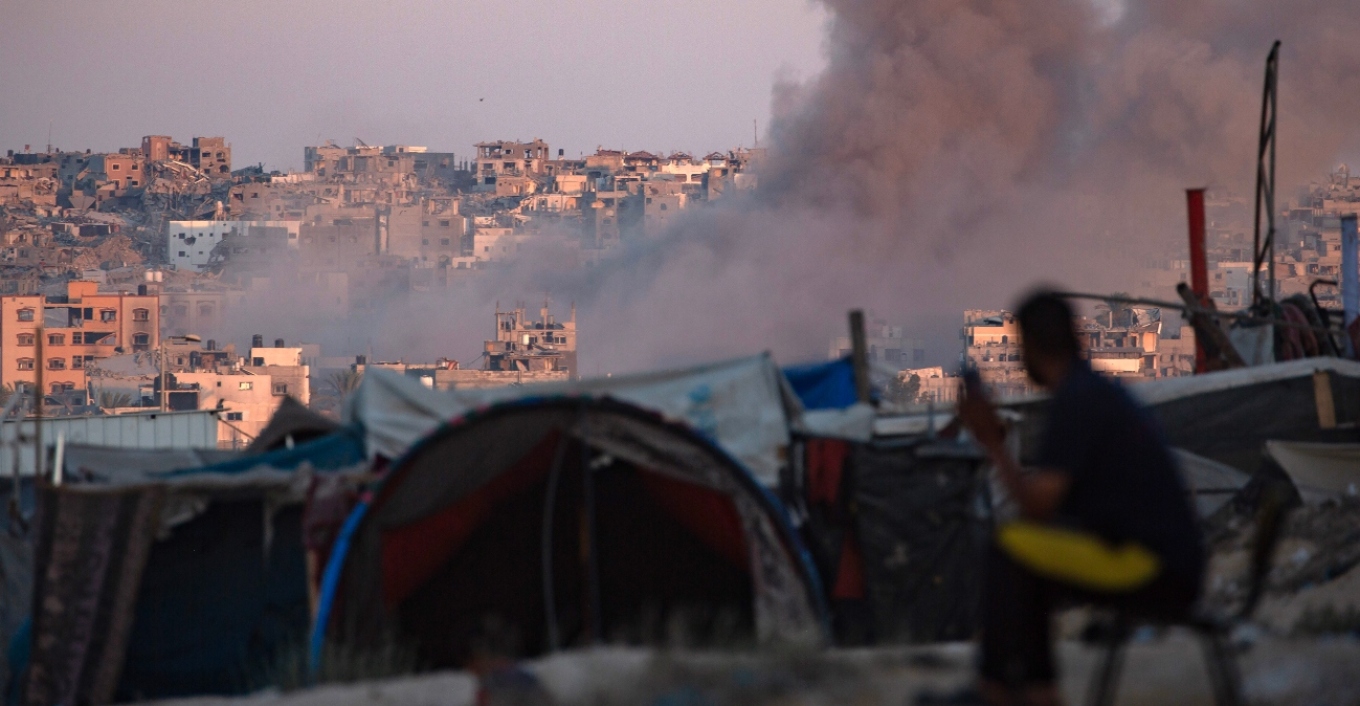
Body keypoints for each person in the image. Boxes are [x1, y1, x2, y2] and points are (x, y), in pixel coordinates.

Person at [957, 291, 1205, 706]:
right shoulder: (1093, 391)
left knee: (1009, 548)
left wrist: (991, 442)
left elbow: (1036, 507)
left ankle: (997, 690)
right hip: (1167, 563)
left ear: (1031, 348)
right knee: (1027, 554)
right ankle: (1035, 690)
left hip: (1152, 568)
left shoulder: (1078, 399)